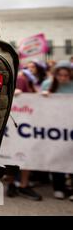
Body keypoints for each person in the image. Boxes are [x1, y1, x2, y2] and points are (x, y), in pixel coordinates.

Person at [6, 69, 43, 201]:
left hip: (25, 125)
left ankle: (19, 185)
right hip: (16, 125)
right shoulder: (20, 79)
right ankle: (18, 184)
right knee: (14, 156)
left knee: (23, 156)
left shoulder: (28, 81)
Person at [41, 60, 73, 201]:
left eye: (66, 75)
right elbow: (37, 102)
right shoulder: (48, 84)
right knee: (57, 157)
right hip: (54, 128)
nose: (63, 78)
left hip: (70, 127)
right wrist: (43, 96)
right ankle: (59, 187)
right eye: (60, 75)